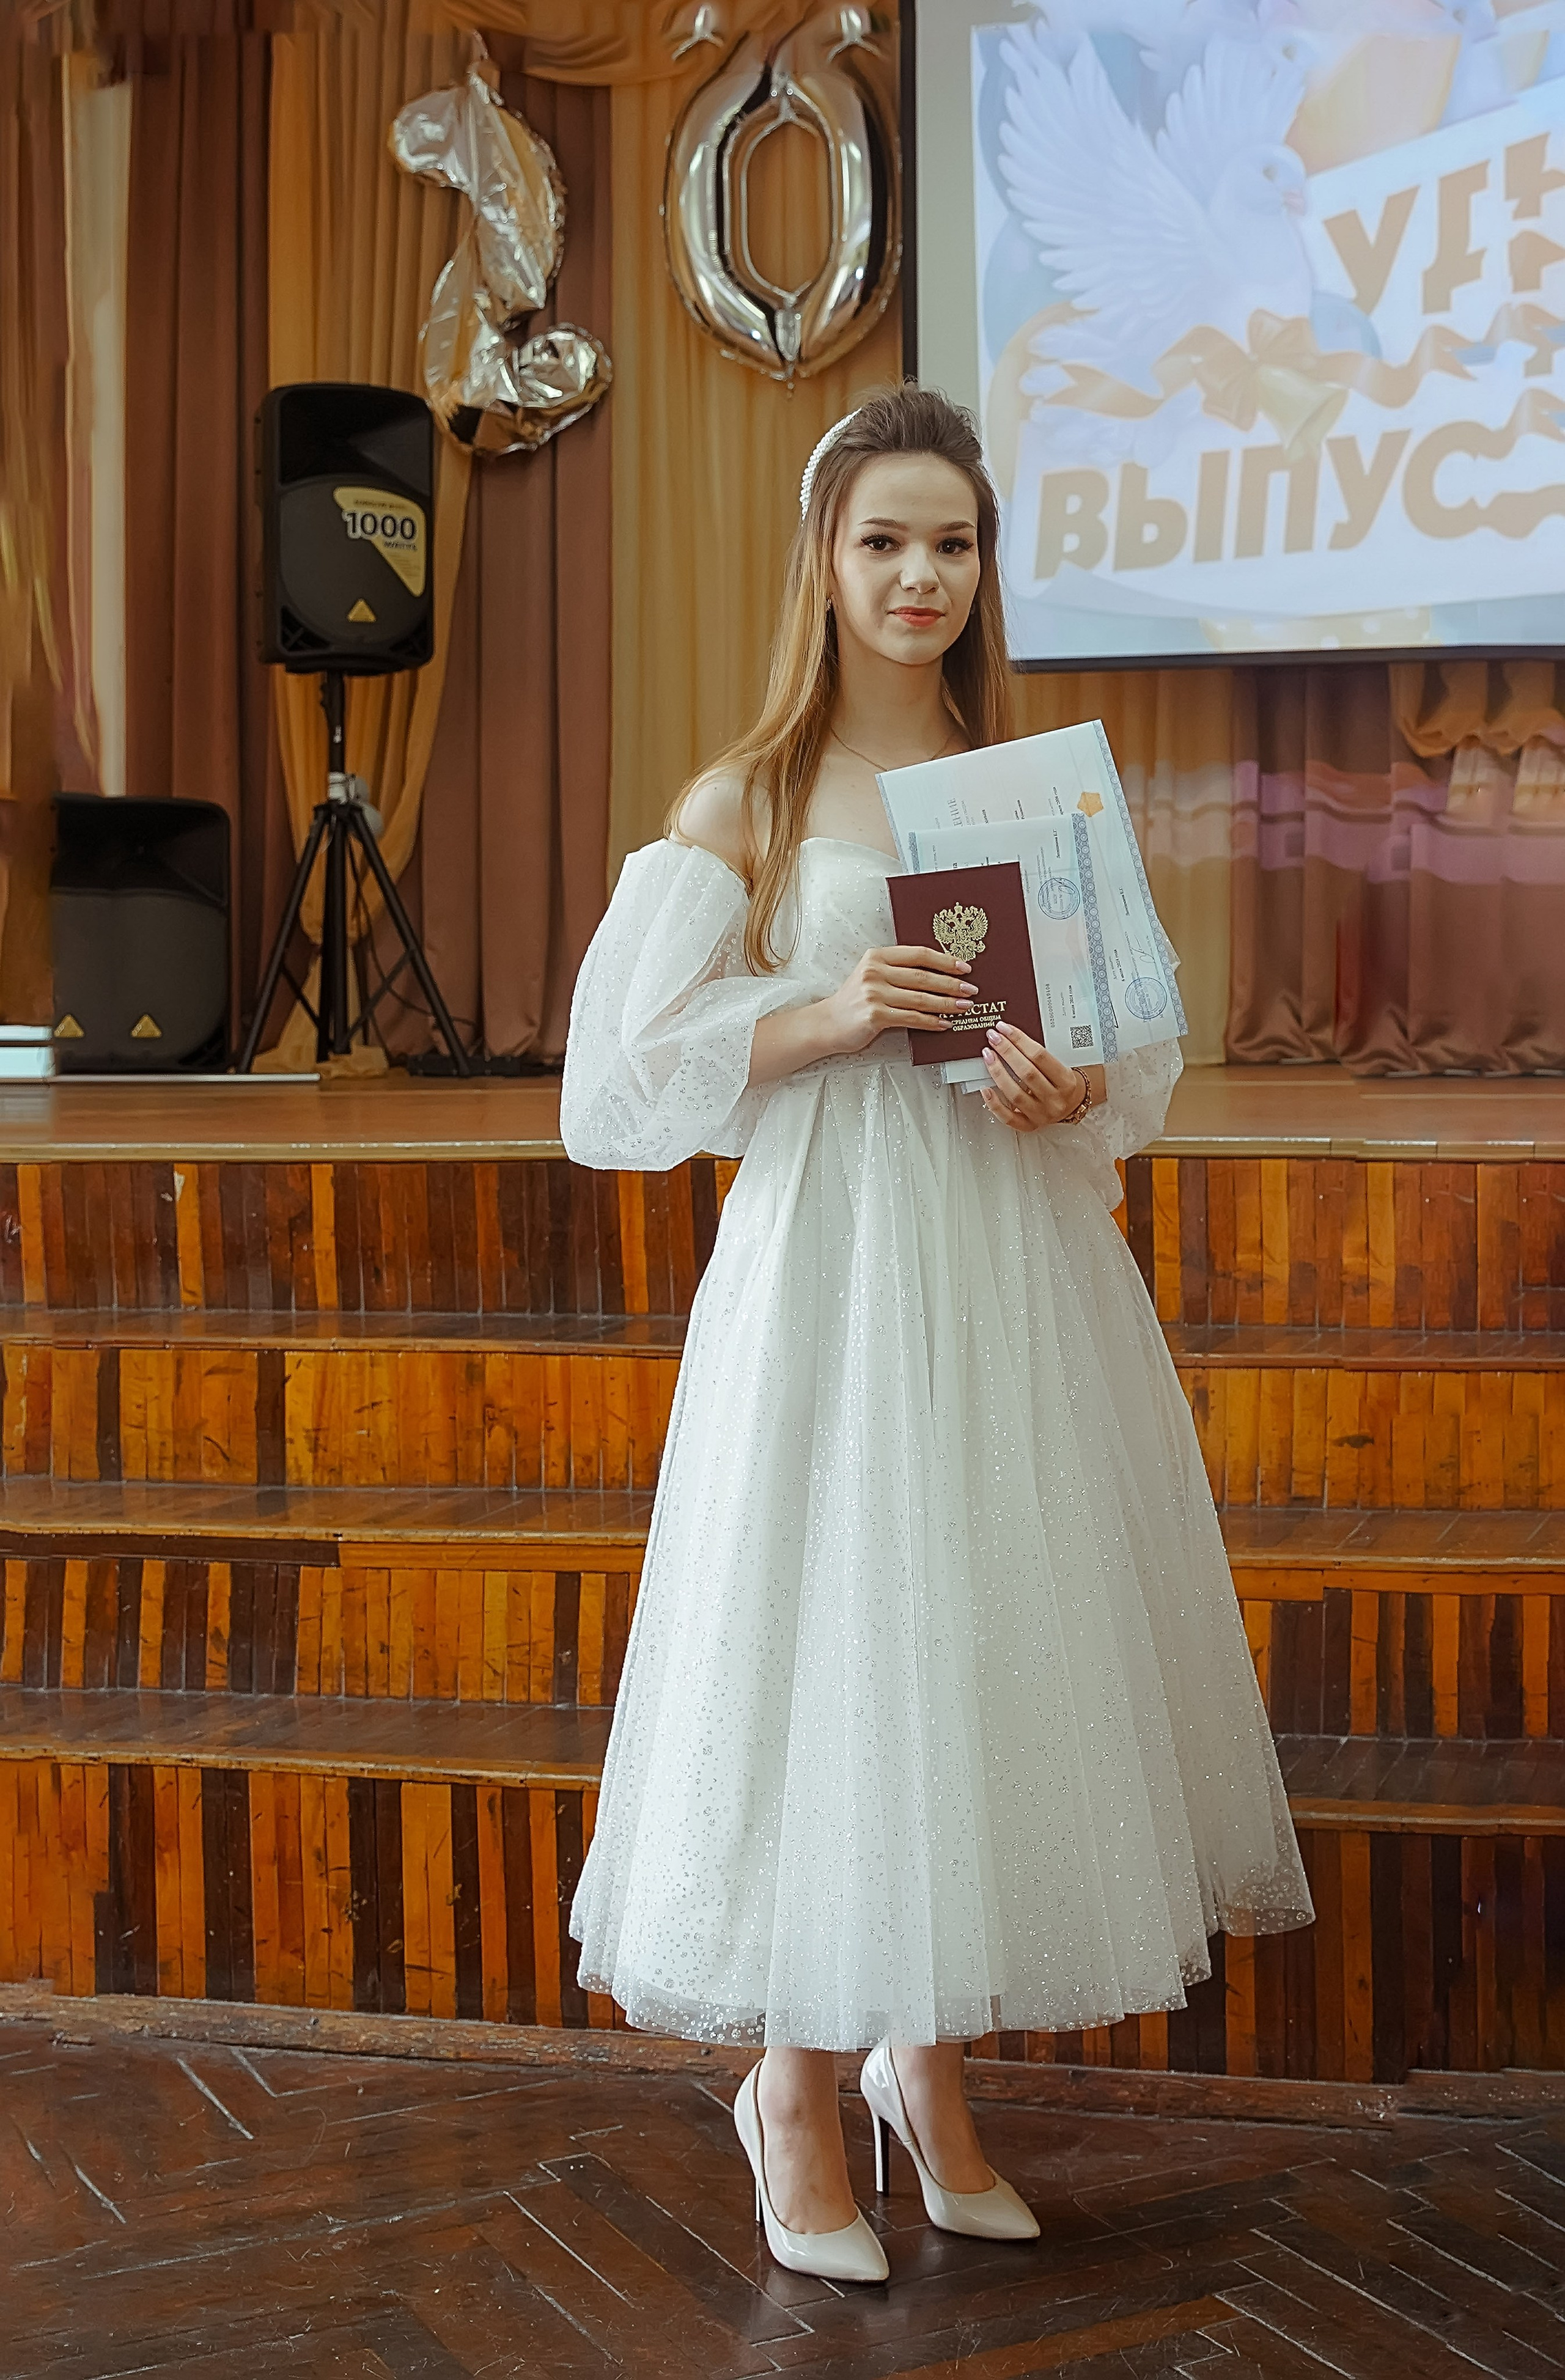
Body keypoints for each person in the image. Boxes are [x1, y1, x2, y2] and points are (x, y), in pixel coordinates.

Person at [559, 384, 1312, 2285]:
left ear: (986, 568)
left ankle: (929, 2072)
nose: (919, 573)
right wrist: (822, 1008)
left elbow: (1135, 1062)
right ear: (824, 558)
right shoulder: (746, 798)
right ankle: (793, 2093)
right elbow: (618, 1091)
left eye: (952, 542)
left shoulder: (1036, 782)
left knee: (970, 1642)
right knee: (844, 1646)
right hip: (835, 1273)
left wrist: (1073, 1091)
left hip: (1003, 1263)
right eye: (884, 538)